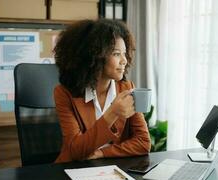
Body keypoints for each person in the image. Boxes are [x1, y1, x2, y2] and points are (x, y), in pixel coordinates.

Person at [53, 19, 151, 163]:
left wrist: (102, 153)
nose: (124, 60)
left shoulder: (126, 88)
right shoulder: (64, 93)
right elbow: (75, 150)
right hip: (73, 170)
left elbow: (143, 143)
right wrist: (113, 113)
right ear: (94, 56)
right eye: (117, 54)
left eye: (125, 53)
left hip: (111, 171)